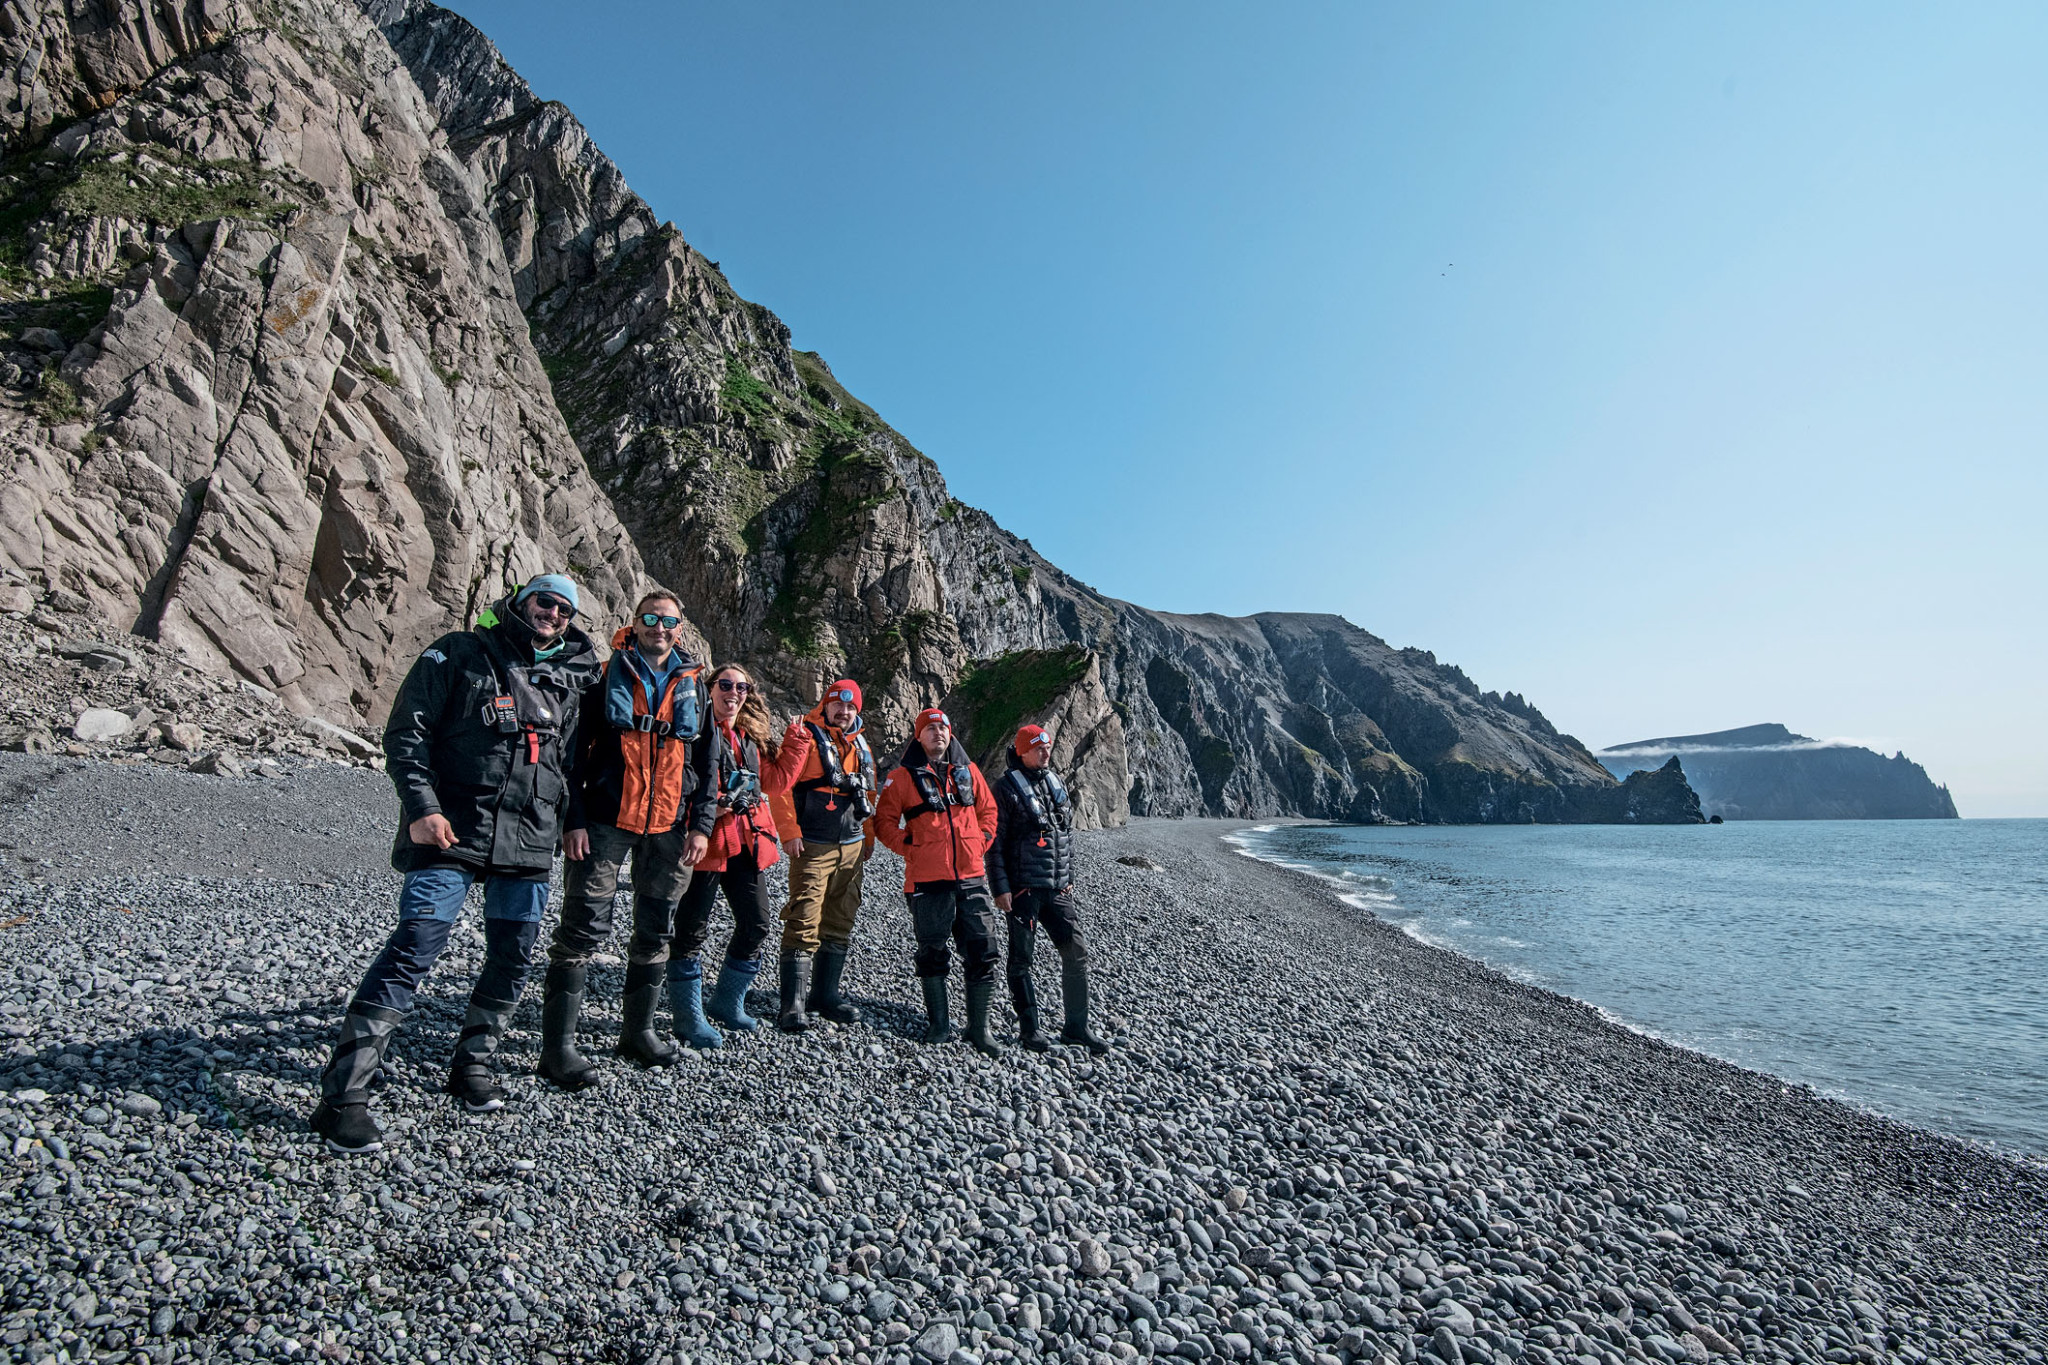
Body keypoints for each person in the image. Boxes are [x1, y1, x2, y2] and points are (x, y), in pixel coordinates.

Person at [310, 574, 600, 1154]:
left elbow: (568, 763)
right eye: (545, 602)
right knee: (416, 943)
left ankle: (472, 1065)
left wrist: (573, 819)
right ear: (520, 602)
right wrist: (422, 807)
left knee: (513, 953)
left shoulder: (568, 680)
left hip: (529, 838)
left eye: (565, 610)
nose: (553, 614)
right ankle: (343, 1096)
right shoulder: (459, 652)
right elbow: (406, 735)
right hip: (451, 829)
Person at [541, 591, 705, 1089]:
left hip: (669, 826)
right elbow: (571, 754)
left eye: (668, 621)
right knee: (582, 927)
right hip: (606, 820)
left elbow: (709, 761)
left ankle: (638, 1033)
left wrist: (701, 825)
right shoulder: (603, 676)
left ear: (680, 629)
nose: (659, 627)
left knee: (656, 929)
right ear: (634, 624)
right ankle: (558, 1049)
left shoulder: (693, 683)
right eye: (650, 618)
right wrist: (572, 819)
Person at [668, 664, 812, 1047]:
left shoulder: (748, 739)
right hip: (705, 841)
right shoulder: (693, 731)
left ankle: (726, 1002)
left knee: (757, 923)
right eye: (726, 685)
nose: (734, 692)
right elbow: (674, 781)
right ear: (709, 689)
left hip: (745, 842)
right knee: (691, 928)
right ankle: (687, 1016)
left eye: (742, 687)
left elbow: (775, 783)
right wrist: (706, 809)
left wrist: (797, 741)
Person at [873, 708, 1003, 1057]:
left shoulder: (969, 772)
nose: (938, 733)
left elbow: (989, 812)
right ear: (919, 736)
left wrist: (980, 841)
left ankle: (979, 1028)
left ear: (950, 733)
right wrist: (910, 847)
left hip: (971, 877)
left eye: (943, 727)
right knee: (932, 951)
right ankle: (939, 1025)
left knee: (983, 949)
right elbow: (883, 823)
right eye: (930, 728)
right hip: (927, 880)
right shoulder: (901, 777)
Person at [988, 724, 1108, 1054]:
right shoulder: (1005, 788)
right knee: (1021, 960)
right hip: (1023, 890)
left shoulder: (1055, 782)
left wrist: (1068, 878)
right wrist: (1000, 888)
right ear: (1022, 751)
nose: (1045, 752)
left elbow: (1064, 838)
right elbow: (994, 843)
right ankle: (1030, 1030)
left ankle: (1076, 1027)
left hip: (1057, 889)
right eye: (1038, 748)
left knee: (1076, 952)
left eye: (1047, 747)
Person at [766, 679, 876, 1033]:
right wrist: (789, 832)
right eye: (837, 705)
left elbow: (868, 795)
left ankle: (824, 995)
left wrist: (869, 838)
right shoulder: (804, 736)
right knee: (803, 918)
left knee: (841, 919)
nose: (843, 712)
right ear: (825, 705)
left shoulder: (861, 745)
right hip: (812, 844)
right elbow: (780, 787)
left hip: (852, 846)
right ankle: (792, 1004)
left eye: (851, 707)